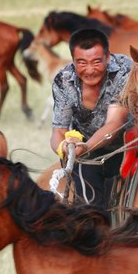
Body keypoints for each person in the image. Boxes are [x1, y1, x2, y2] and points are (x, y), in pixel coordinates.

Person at [49, 27, 132, 210]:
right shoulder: (64, 80)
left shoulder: (124, 70)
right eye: (81, 63)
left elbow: (115, 122)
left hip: (129, 143)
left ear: (108, 57)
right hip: (86, 149)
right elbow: (58, 131)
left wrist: (87, 146)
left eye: (96, 62)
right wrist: (65, 147)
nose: (89, 70)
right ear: (73, 61)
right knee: (90, 210)